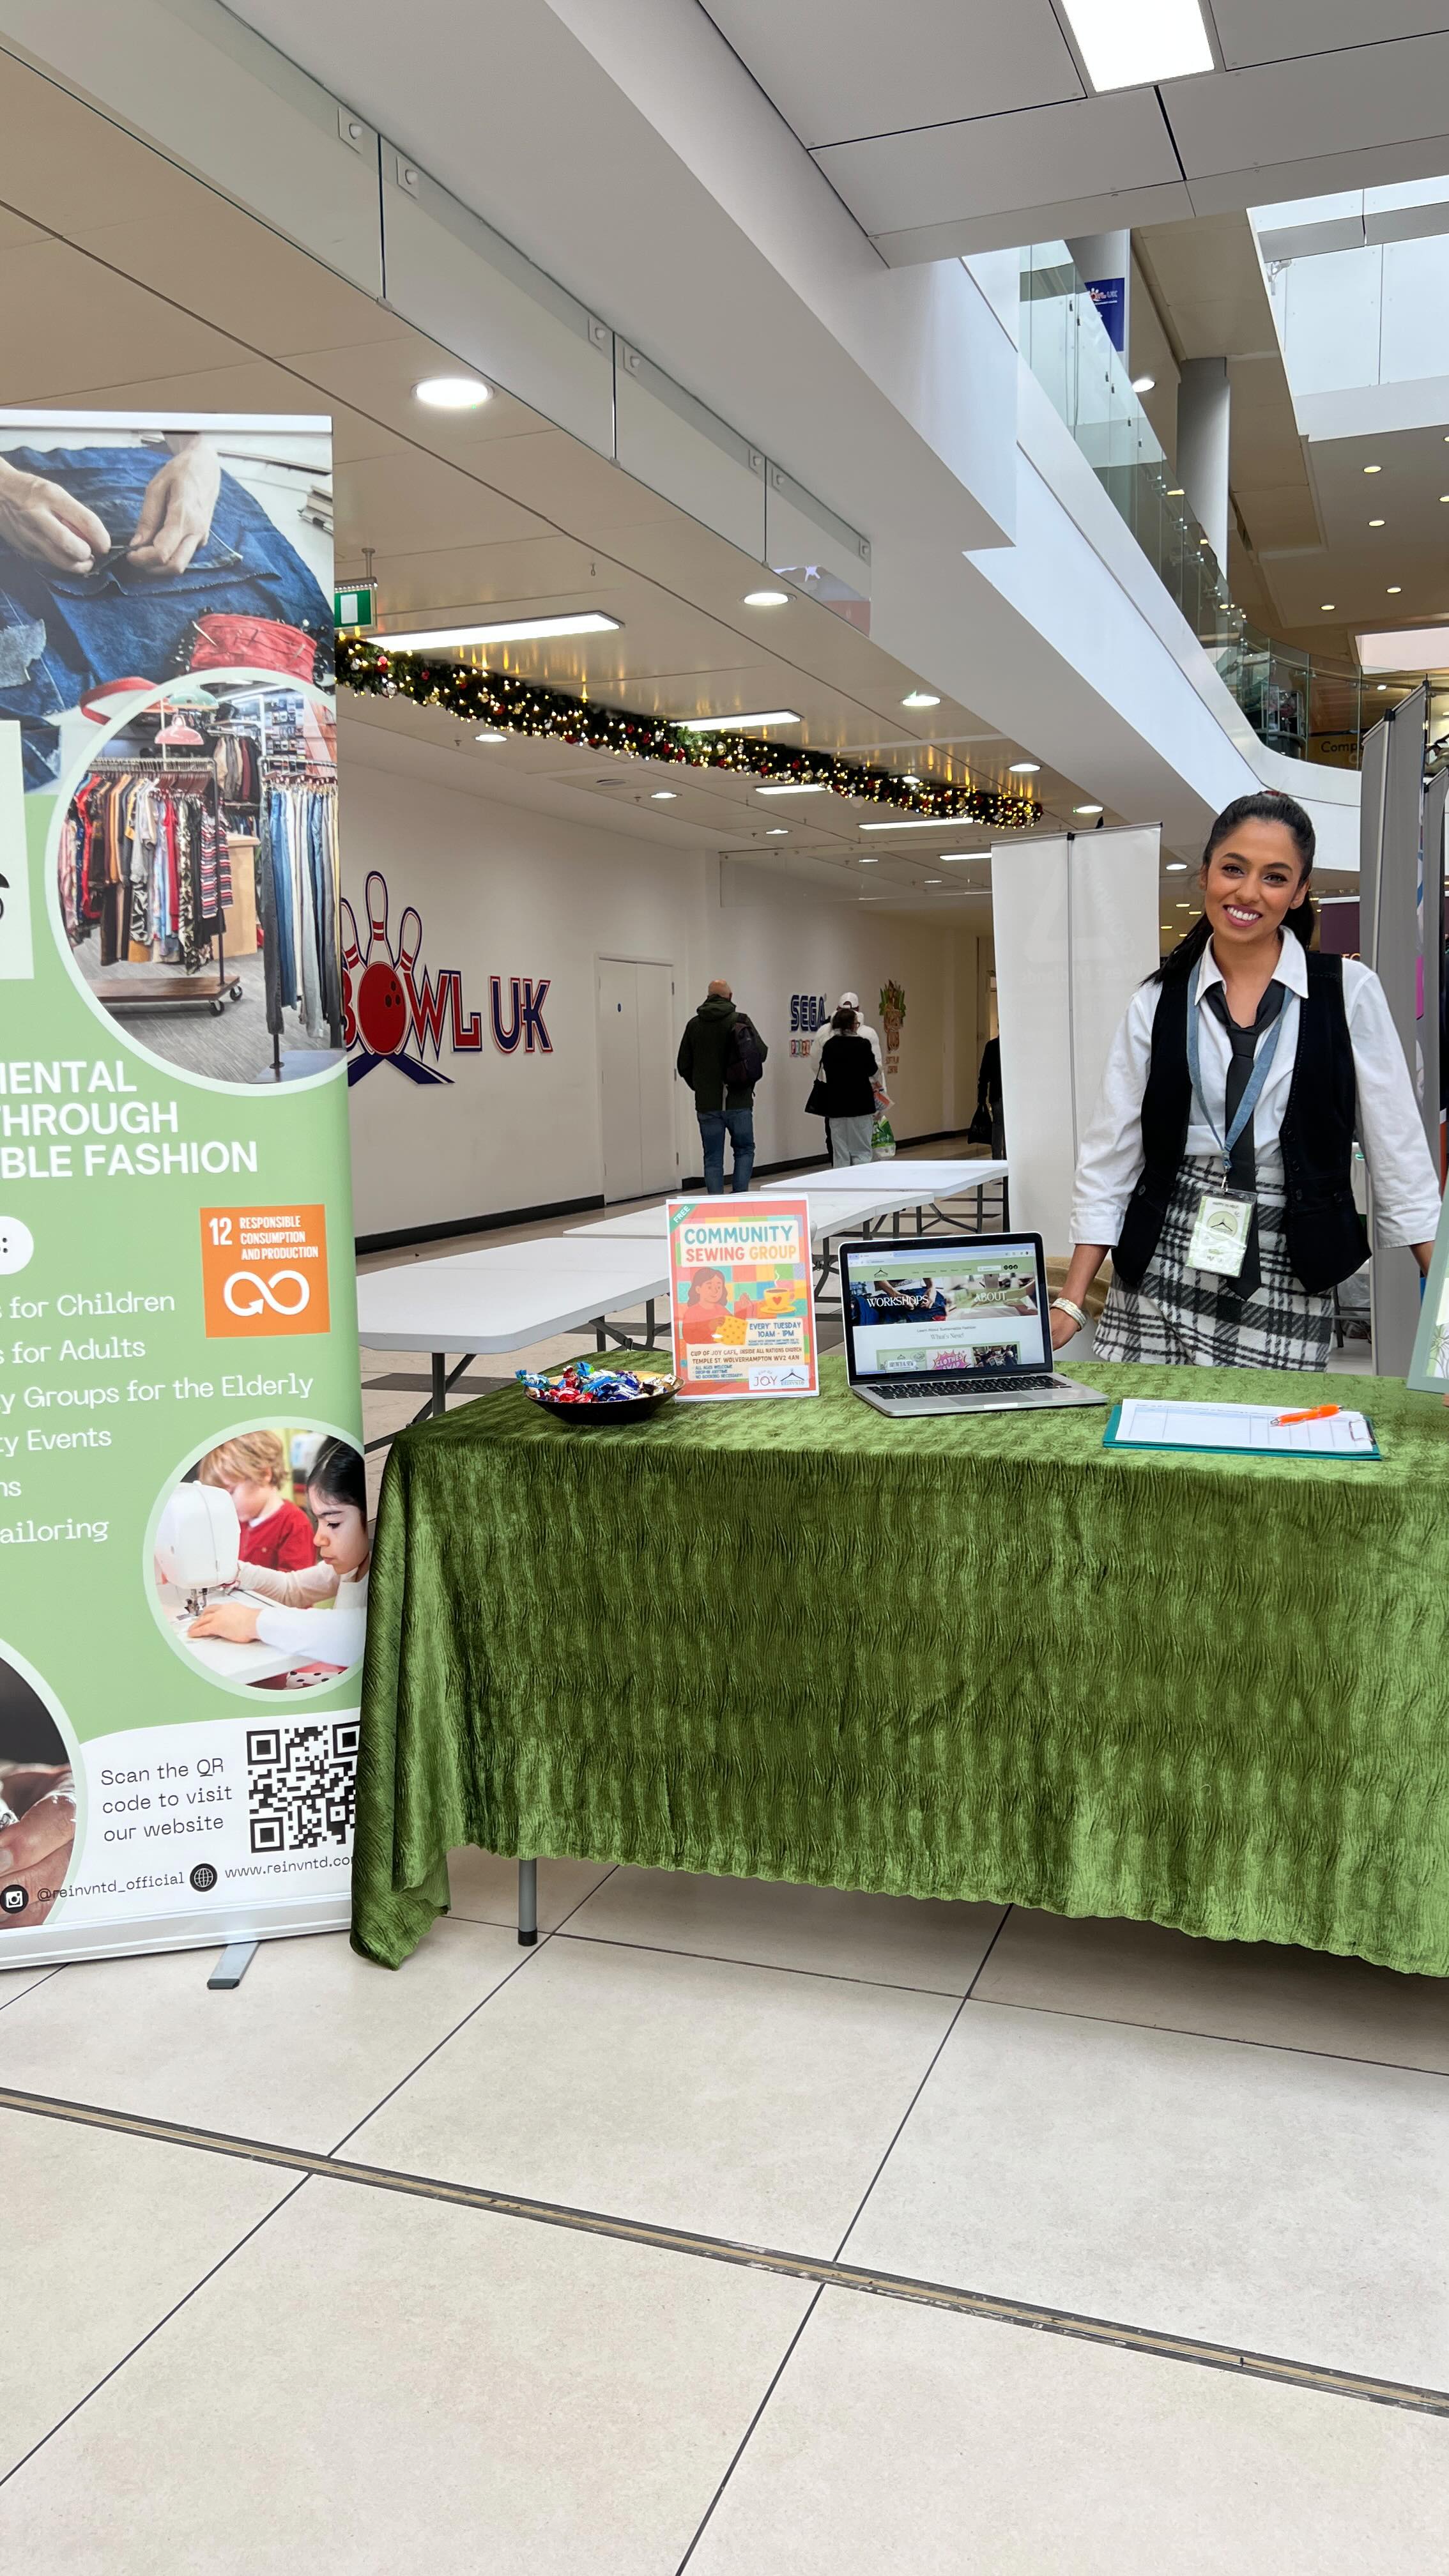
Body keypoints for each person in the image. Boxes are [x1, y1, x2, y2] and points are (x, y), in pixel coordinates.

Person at [1050, 790, 1441, 1370]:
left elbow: (1401, 1161)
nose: (1249, 893)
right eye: (1233, 869)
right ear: (1206, 872)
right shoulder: (1159, 1000)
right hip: (1163, 1245)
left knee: (1261, 1444)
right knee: (1144, 1437)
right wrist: (1073, 1299)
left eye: (1275, 877)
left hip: (1289, 1247)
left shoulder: (1347, 992)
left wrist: (1445, 1318)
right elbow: (1112, 1155)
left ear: (1301, 892)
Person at [188, 1438, 369, 1671]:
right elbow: (291, 1588)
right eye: (319, 1521)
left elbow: (358, 1631)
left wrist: (251, 1622)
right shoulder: (347, 1568)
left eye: (333, 1523)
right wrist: (235, 1571)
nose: (318, 1539)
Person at [676, 977, 767, 1193]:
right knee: (744, 1150)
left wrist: (700, 1087)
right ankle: (739, 1197)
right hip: (739, 1101)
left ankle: (716, 1205)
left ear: (708, 997)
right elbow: (761, 1053)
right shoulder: (741, 1020)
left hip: (707, 1104)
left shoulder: (694, 1025)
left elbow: (683, 1065)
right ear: (730, 997)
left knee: (712, 1157)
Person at [197, 1430, 316, 1574]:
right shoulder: (236, 1521)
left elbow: (296, 1590)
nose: (226, 1504)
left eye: (231, 1492)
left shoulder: (294, 1524)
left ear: (265, 1474)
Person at [817, 1002, 879, 1165]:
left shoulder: (829, 1046)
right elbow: (872, 1070)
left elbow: (826, 1070)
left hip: (836, 1106)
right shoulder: (863, 1045)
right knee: (862, 1151)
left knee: (840, 1152)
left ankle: (841, 1187)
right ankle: (861, 1186)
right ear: (853, 1025)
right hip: (861, 1104)